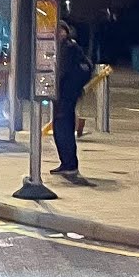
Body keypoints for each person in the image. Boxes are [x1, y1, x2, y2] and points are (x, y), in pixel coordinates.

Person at [51, 21, 94, 178]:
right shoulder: (68, 47)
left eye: (61, 31)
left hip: (66, 93)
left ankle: (69, 163)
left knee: (62, 126)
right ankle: (67, 163)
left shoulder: (68, 48)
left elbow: (62, 71)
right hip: (67, 93)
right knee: (62, 126)